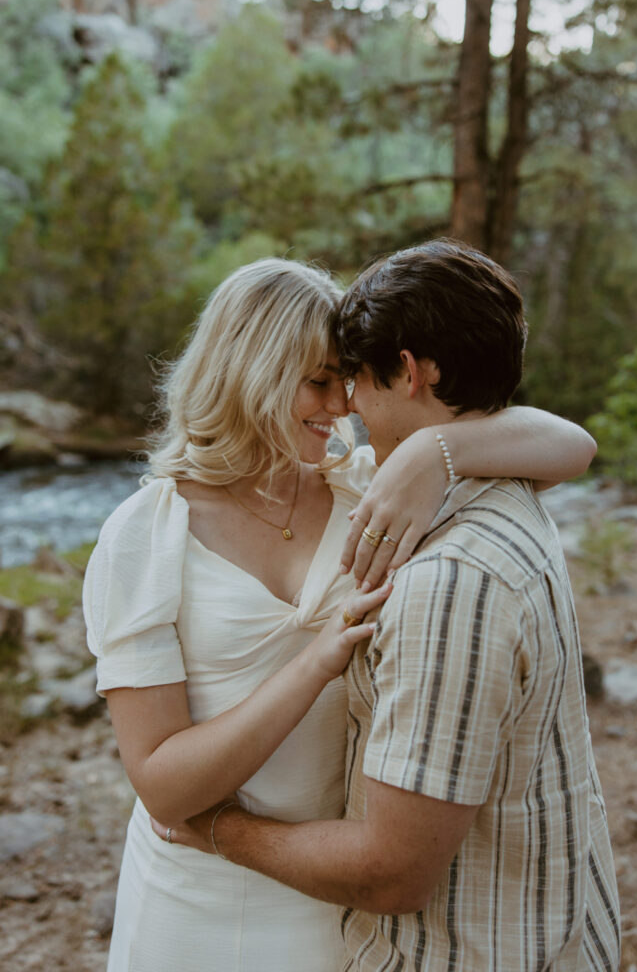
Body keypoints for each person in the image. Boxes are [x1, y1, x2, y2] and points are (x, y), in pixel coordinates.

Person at [84, 256, 597, 972]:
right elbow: (164, 788)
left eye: (347, 378)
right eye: (319, 381)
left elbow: (573, 445)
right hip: (194, 890)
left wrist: (434, 450)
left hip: (332, 889)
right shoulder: (145, 534)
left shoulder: (370, 489)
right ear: (249, 371)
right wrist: (315, 662)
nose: (341, 405)